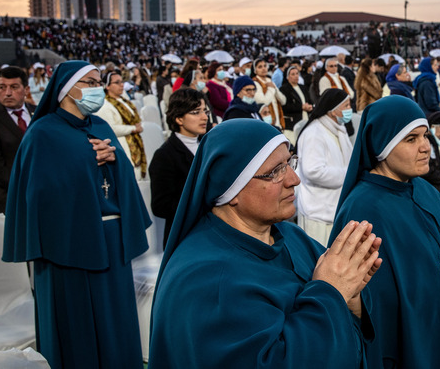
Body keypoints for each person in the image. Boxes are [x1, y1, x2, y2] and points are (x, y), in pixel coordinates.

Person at [149, 119, 381, 368]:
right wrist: (332, 291)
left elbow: (347, 328)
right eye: (275, 171)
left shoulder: (292, 236)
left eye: (290, 162)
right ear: (232, 188)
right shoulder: (206, 280)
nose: (294, 179)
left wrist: (352, 295)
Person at [2, 60, 151, 369]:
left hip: (111, 241)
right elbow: (38, 193)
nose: (98, 88)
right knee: (76, 327)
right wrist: (85, 161)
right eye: (92, 82)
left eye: (100, 82)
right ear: (68, 90)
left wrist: (115, 160)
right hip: (67, 244)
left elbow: (122, 175)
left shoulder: (101, 125)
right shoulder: (43, 133)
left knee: (116, 323)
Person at [328, 96, 440, 369]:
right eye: (410, 139)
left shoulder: (422, 188)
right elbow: (362, 300)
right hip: (405, 348)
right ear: (382, 145)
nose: (425, 148)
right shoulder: (363, 208)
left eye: (425, 136)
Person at [150, 88, 208, 248]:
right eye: (196, 112)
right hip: (186, 237)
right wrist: (202, 203)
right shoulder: (165, 155)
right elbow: (160, 206)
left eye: (205, 111)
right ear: (179, 118)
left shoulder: (208, 145)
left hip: (211, 233)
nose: (204, 117)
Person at [296, 89, 353, 246]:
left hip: (337, 206)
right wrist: (347, 175)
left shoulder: (338, 129)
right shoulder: (314, 133)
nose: (350, 109)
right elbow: (313, 171)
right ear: (333, 110)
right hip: (319, 210)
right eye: (346, 105)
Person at [0, 66, 36, 213]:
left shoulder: (39, 113)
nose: (8, 93)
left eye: (14, 87)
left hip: (47, 193)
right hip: (11, 197)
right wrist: (31, 186)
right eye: (2, 87)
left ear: (26, 90)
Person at [96, 70, 147, 180]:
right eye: (117, 82)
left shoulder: (124, 101)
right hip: (122, 145)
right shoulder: (105, 105)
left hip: (134, 143)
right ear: (107, 86)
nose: (122, 85)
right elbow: (110, 128)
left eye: (122, 81)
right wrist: (133, 128)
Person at [252, 58, 287, 130]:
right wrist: (271, 89)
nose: (263, 68)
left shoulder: (270, 81)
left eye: (265, 66)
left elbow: (283, 101)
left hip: (278, 122)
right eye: (260, 67)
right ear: (255, 70)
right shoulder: (255, 83)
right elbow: (263, 102)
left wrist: (275, 89)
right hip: (267, 122)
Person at [280, 65, 312, 133]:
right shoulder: (284, 89)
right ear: (288, 77)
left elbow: (309, 100)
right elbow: (285, 106)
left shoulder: (303, 87)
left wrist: (310, 106)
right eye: (293, 74)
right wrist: (301, 107)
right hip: (293, 122)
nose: (296, 76)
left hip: (306, 118)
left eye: (297, 73)